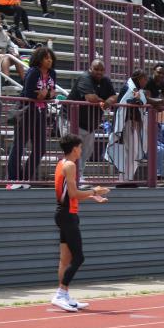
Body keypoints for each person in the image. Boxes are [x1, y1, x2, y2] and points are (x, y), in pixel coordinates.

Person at [51, 134, 109, 312]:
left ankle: (64, 295)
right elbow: (74, 194)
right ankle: (60, 294)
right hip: (68, 215)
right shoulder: (70, 165)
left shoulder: (62, 163)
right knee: (79, 258)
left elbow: (70, 193)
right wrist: (94, 190)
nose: (82, 150)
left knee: (65, 259)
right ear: (75, 148)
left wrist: (92, 196)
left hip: (64, 213)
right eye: (81, 147)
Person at [7, 45, 55, 184]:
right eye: (46, 58)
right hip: (26, 112)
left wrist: (44, 95)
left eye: (50, 58)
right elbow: (28, 93)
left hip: (41, 112)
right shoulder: (33, 72)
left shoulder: (52, 73)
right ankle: (13, 178)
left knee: (41, 148)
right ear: (39, 59)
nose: (49, 60)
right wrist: (43, 94)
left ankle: (25, 177)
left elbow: (52, 93)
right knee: (19, 146)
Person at [67, 58, 117, 175]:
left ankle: (78, 176)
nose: (99, 72)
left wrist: (108, 101)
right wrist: (104, 101)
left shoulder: (105, 80)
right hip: (72, 120)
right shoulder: (85, 78)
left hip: (90, 124)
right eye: (96, 69)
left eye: (101, 70)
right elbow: (90, 98)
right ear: (90, 69)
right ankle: (71, 178)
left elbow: (114, 96)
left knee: (86, 152)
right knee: (73, 150)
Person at [105, 69, 148, 181]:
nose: (146, 81)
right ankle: (125, 178)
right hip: (127, 124)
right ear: (138, 79)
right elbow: (124, 105)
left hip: (134, 124)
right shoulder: (128, 88)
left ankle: (127, 177)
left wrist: (138, 100)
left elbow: (141, 103)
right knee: (131, 151)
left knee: (133, 151)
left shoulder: (138, 90)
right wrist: (136, 102)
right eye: (144, 79)